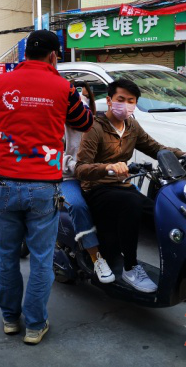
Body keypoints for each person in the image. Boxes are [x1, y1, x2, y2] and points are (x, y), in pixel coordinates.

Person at [0, 30, 93, 345]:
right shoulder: (63, 87)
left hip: (5, 184)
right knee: (41, 259)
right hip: (44, 186)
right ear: (53, 56)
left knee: (7, 257)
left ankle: (10, 319)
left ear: (25, 53)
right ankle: (35, 325)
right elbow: (84, 123)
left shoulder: (0, 83)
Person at [75, 79, 186, 293]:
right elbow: (81, 168)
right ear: (109, 100)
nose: (126, 105)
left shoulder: (132, 126)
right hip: (97, 188)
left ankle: (179, 267)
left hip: (121, 186)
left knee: (162, 211)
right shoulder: (94, 128)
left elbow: (155, 148)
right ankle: (130, 268)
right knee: (132, 203)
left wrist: (184, 154)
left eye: (131, 101)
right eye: (121, 99)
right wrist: (108, 167)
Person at [62, 82, 114, 283]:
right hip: (67, 178)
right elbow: (54, 156)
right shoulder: (57, 124)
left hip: (93, 175)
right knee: (78, 206)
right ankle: (96, 257)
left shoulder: (95, 122)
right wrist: (78, 167)